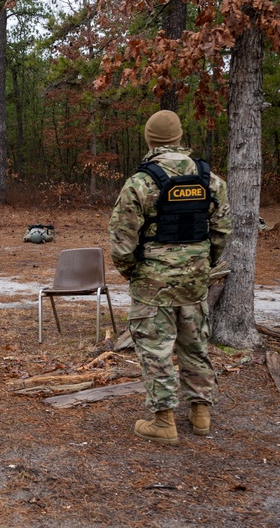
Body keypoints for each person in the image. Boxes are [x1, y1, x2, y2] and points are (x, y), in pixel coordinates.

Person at [108, 110, 231, 445]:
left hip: (153, 283)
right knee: (196, 344)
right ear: (179, 137)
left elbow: (122, 240)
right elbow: (221, 232)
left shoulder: (141, 183)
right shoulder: (211, 181)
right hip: (194, 281)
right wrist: (203, 265)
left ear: (150, 140)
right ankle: (200, 413)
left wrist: (133, 272)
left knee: (156, 350)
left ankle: (164, 422)